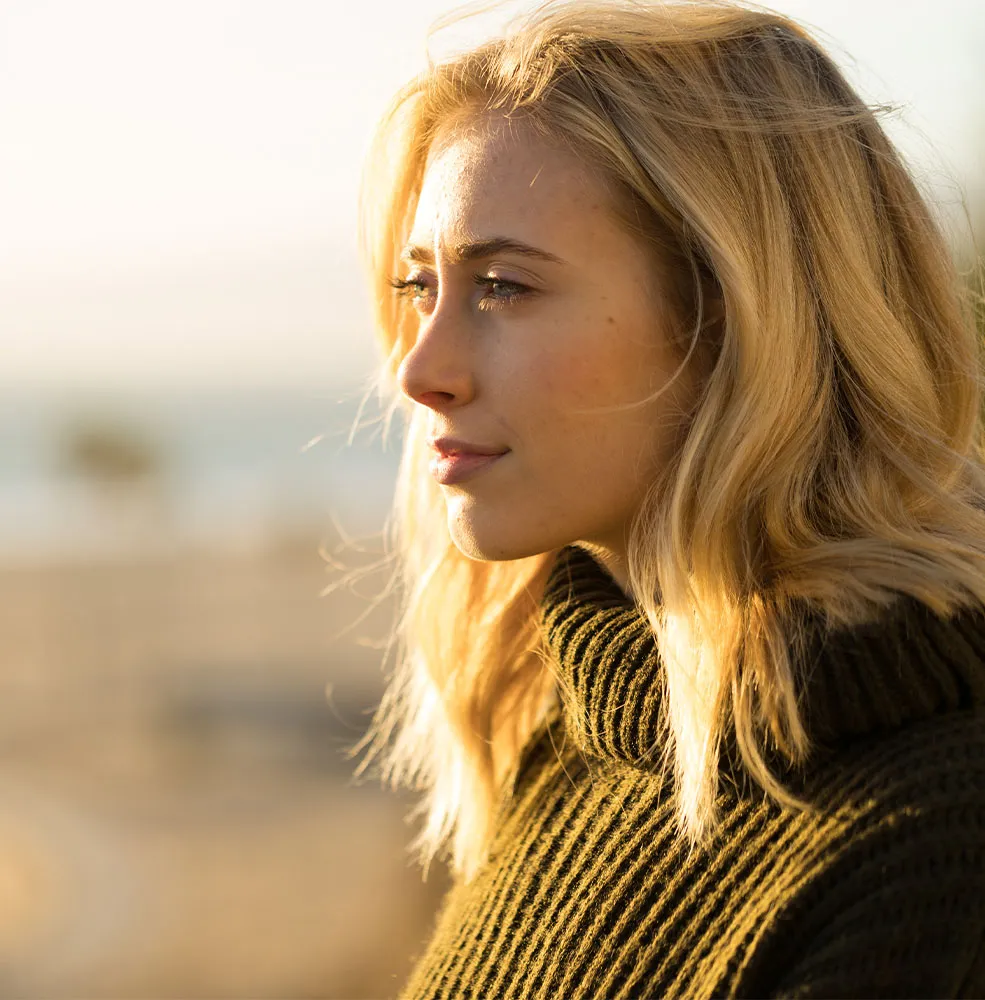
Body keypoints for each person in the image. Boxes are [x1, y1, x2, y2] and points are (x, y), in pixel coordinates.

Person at [350, 0, 985, 995]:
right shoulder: (574, 727)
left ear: (733, 321)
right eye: (419, 286)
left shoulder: (934, 841)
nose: (419, 370)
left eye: (504, 287)